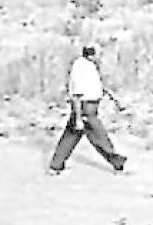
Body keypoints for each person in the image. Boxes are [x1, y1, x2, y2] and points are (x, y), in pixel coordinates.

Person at [46, 44, 129, 175]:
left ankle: (56, 165)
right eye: (98, 54)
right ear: (91, 54)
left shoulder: (90, 66)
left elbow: (98, 86)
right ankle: (117, 162)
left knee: (70, 136)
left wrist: (115, 99)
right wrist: (79, 118)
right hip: (85, 108)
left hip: (89, 107)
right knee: (100, 137)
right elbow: (77, 94)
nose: (100, 57)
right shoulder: (80, 68)